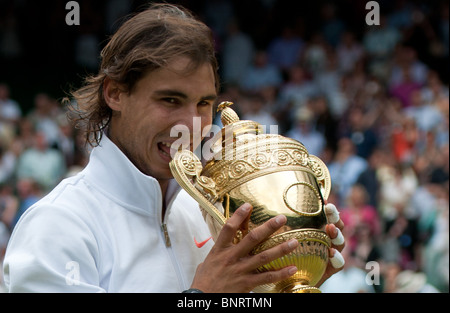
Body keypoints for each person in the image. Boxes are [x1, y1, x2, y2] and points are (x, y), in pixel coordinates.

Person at [3, 4, 345, 293]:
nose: (191, 124)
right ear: (115, 93)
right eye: (170, 100)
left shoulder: (210, 212)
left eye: (203, 103)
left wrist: (289, 277)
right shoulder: (58, 226)